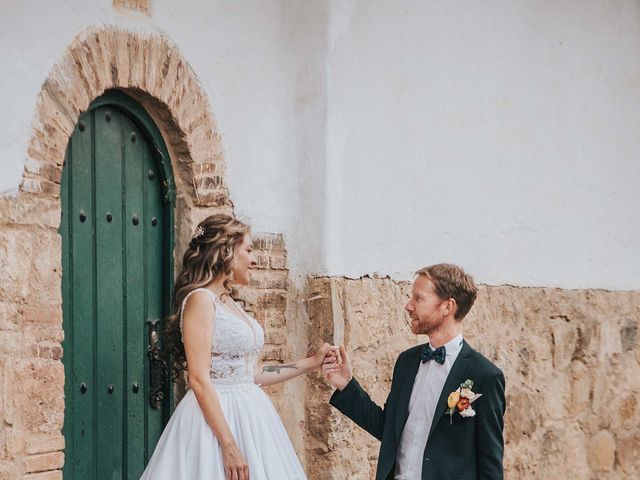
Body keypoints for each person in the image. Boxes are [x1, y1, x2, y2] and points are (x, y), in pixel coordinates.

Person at [141, 214, 334, 480]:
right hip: (214, 422)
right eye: (249, 250)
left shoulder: (230, 303)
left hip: (252, 415)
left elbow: (252, 374)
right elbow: (198, 379)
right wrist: (229, 445)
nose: (254, 259)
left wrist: (311, 362)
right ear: (226, 252)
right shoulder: (200, 300)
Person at [322, 263, 506, 480]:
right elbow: (387, 429)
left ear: (447, 307)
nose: (408, 306)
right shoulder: (407, 362)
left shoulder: (484, 375)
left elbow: (490, 465)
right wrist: (346, 384)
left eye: (418, 298)